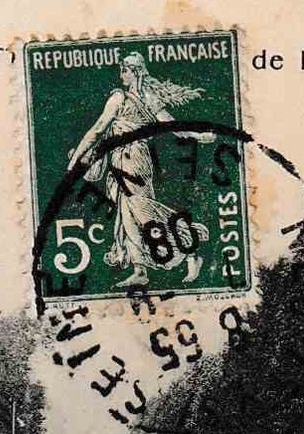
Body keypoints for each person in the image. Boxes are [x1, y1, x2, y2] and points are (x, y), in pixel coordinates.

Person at [67, 53, 213, 288]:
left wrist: (75, 158)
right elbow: (173, 126)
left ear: (134, 71)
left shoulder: (120, 97)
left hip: (131, 160)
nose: (121, 75)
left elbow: (97, 130)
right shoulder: (147, 97)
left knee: (140, 210)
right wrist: (197, 135)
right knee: (129, 214)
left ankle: (190, 249)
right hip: (126, 160)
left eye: (124, 70)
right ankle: (140, 269)